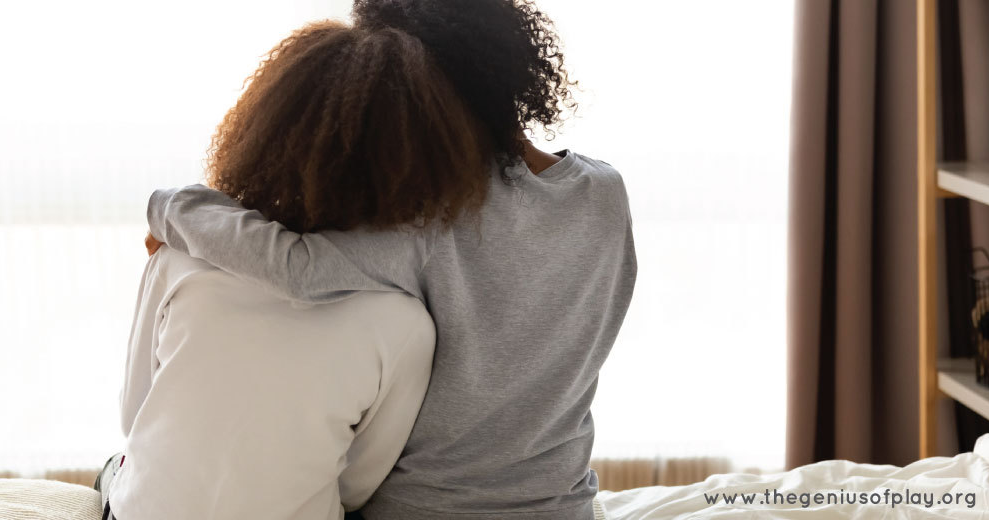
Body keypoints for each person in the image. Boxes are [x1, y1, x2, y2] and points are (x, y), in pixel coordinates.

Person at [144, 0, 637, 518]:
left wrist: (171, 206)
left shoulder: (437, 220)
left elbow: (296, 266)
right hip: (564, 508)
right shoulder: (606, 193)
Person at [97, 19, 496, 520]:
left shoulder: (177, 261)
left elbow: (135, 416)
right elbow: (356, 486)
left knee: (117, 465)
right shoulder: (406, 324)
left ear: (266, 130)